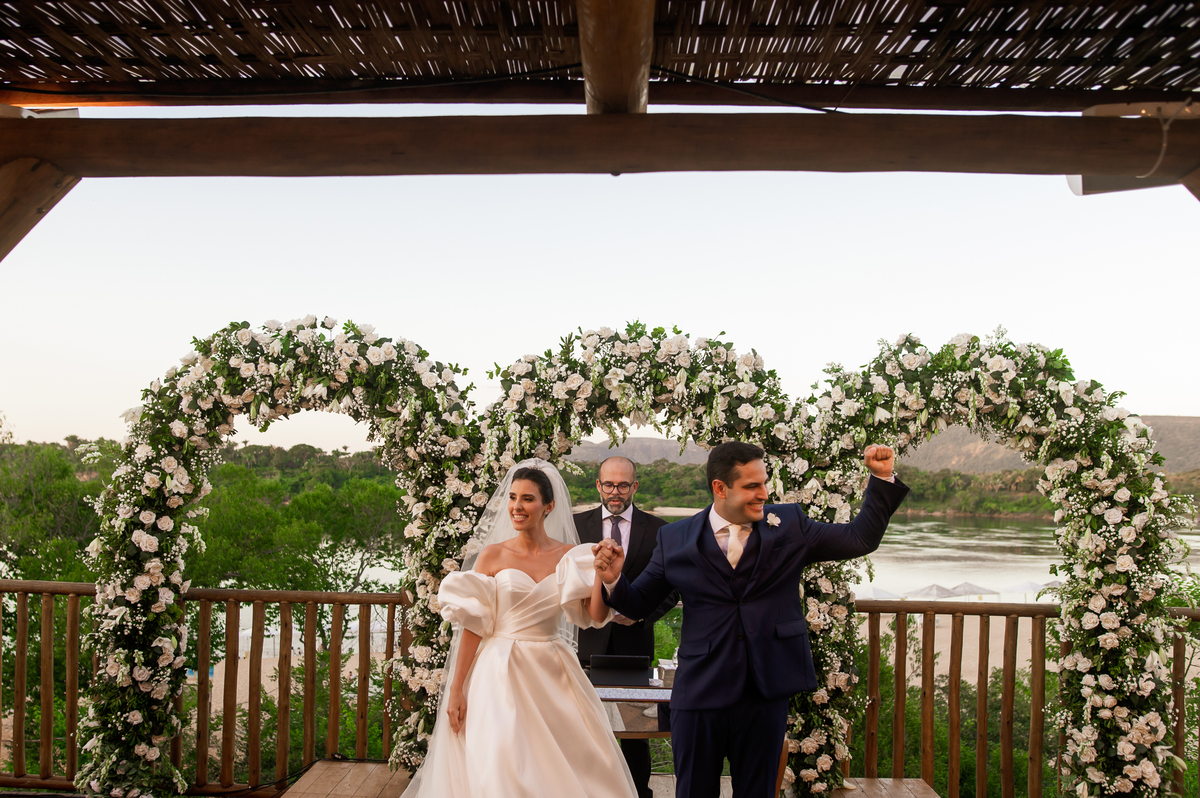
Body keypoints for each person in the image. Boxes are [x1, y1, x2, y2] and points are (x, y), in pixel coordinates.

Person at [595, 441, 908, 798]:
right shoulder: (674, 538)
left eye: (764, 483)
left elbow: (859, 538)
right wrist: (614, 581)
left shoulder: (789, 525)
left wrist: (881, 478)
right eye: (752, 486)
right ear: (720, 488)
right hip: (698, 694)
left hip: (764, 693)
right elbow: (638, 604)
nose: (764, 493)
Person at [402, 459, 637, 798]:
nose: (517, 506)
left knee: (567, 764)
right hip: (499, 672)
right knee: (503, 762)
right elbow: (474, 626)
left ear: (548, 506)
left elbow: (594, 616)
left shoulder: (571, 556)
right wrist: (456, 689)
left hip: (552, 669)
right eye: (513, 497)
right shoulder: (492, 556)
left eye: (527, 499)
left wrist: (604, 577)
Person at [575, 456, 679, 798]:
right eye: (608, 484)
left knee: (636, 732)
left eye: (622, 485)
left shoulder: (661, 530)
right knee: (583, 728)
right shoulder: (575, 526)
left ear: (635, 486)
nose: (615, 492)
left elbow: (672, 588)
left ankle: (638, 792)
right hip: (585, 645)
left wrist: (641, 614)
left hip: (634, 644)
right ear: (598, 485)